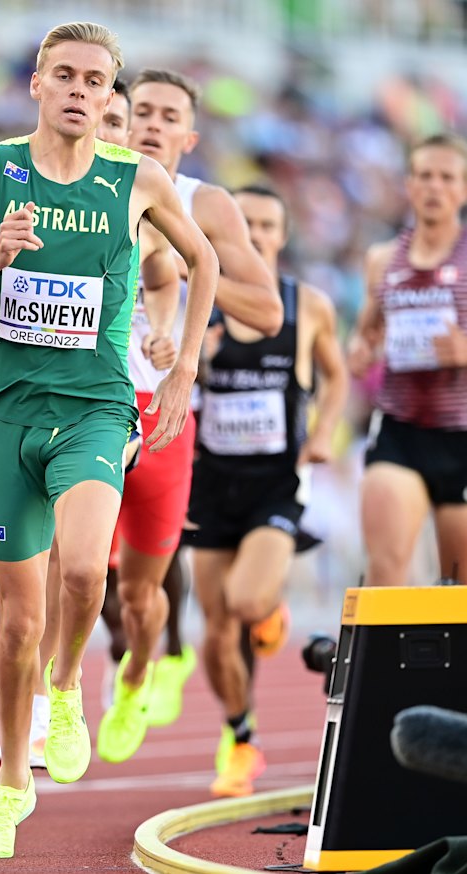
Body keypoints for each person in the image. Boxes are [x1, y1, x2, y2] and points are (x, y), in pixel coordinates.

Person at [0, 22, 218, 860]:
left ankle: (66, 687)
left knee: (88, 568)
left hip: (95, 407)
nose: (83, 90)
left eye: (97, 79)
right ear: (40, 86)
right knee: (15, 621)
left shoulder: (137, 177)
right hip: (12, 412)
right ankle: (12, 782)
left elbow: (202, 264)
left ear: (109, 94)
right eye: (68, 76)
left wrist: (184, 366)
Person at [0, 76, 181, 771]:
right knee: (54, 570)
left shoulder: (148, 199)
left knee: (126, 584)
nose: (117, 127)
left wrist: (170, 341)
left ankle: (124, 677)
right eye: (114, 115)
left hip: (135, 411)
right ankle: (41, 712)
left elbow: (173, 274)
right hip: (53, 408)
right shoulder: (32, 183)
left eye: (123, 118)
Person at [95, 68, 284, 765]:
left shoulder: (207, 203)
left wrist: (189, 264)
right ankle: (80, 690)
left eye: (167, 115)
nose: (149, 123)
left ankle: (148, 667)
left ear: (187, 135)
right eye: (140, 109)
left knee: (143, 581)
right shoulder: (84, 184)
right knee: (87, 570)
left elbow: (267, 312)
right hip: (90, 397)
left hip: (169, 410)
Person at [183, 183, 347, 798]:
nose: (254, 233)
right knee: (215, 629)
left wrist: (326, 428)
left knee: (248, 602)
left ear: (281, 235)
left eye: (267, 224)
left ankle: (269, 608)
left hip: (274, 489)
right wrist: (194, 349)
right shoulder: (198, 304)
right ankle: (240, 738)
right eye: (243, 222)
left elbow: (336, 375)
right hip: (209, 488)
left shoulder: (308, 307)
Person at [348, 132, 467, 587]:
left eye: (446, 177)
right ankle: (386, 658)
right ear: (410, 185)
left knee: (458, 585)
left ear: (462, 189)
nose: (434, 187)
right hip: (401, 428)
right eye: (425, 176)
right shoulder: (382, 259)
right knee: (387, 572)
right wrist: (361, 351)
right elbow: (367, 333)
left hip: (460, 432)